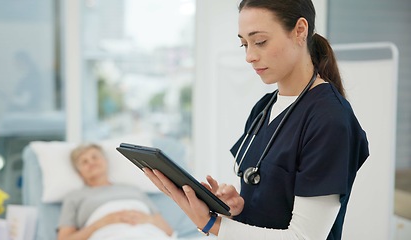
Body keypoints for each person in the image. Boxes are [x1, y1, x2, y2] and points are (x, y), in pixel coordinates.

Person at [144, 0, 369, 240]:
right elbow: (268, 206)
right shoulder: (264, 108)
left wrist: (212, 224)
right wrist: (237, 209)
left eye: (260, 41)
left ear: (300, 30)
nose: (249, 56)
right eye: (244, 44)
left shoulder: (329, 119)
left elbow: (305, 237)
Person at [57, 143, 174, 240]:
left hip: (147, 233)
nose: (91, 163)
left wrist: (147, 219)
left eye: (94, 157)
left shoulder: (133, 189)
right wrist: (100, 223)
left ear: (106, 161)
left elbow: (168, 232)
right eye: (84, 162)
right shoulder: (74, 197)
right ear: (79, 172)